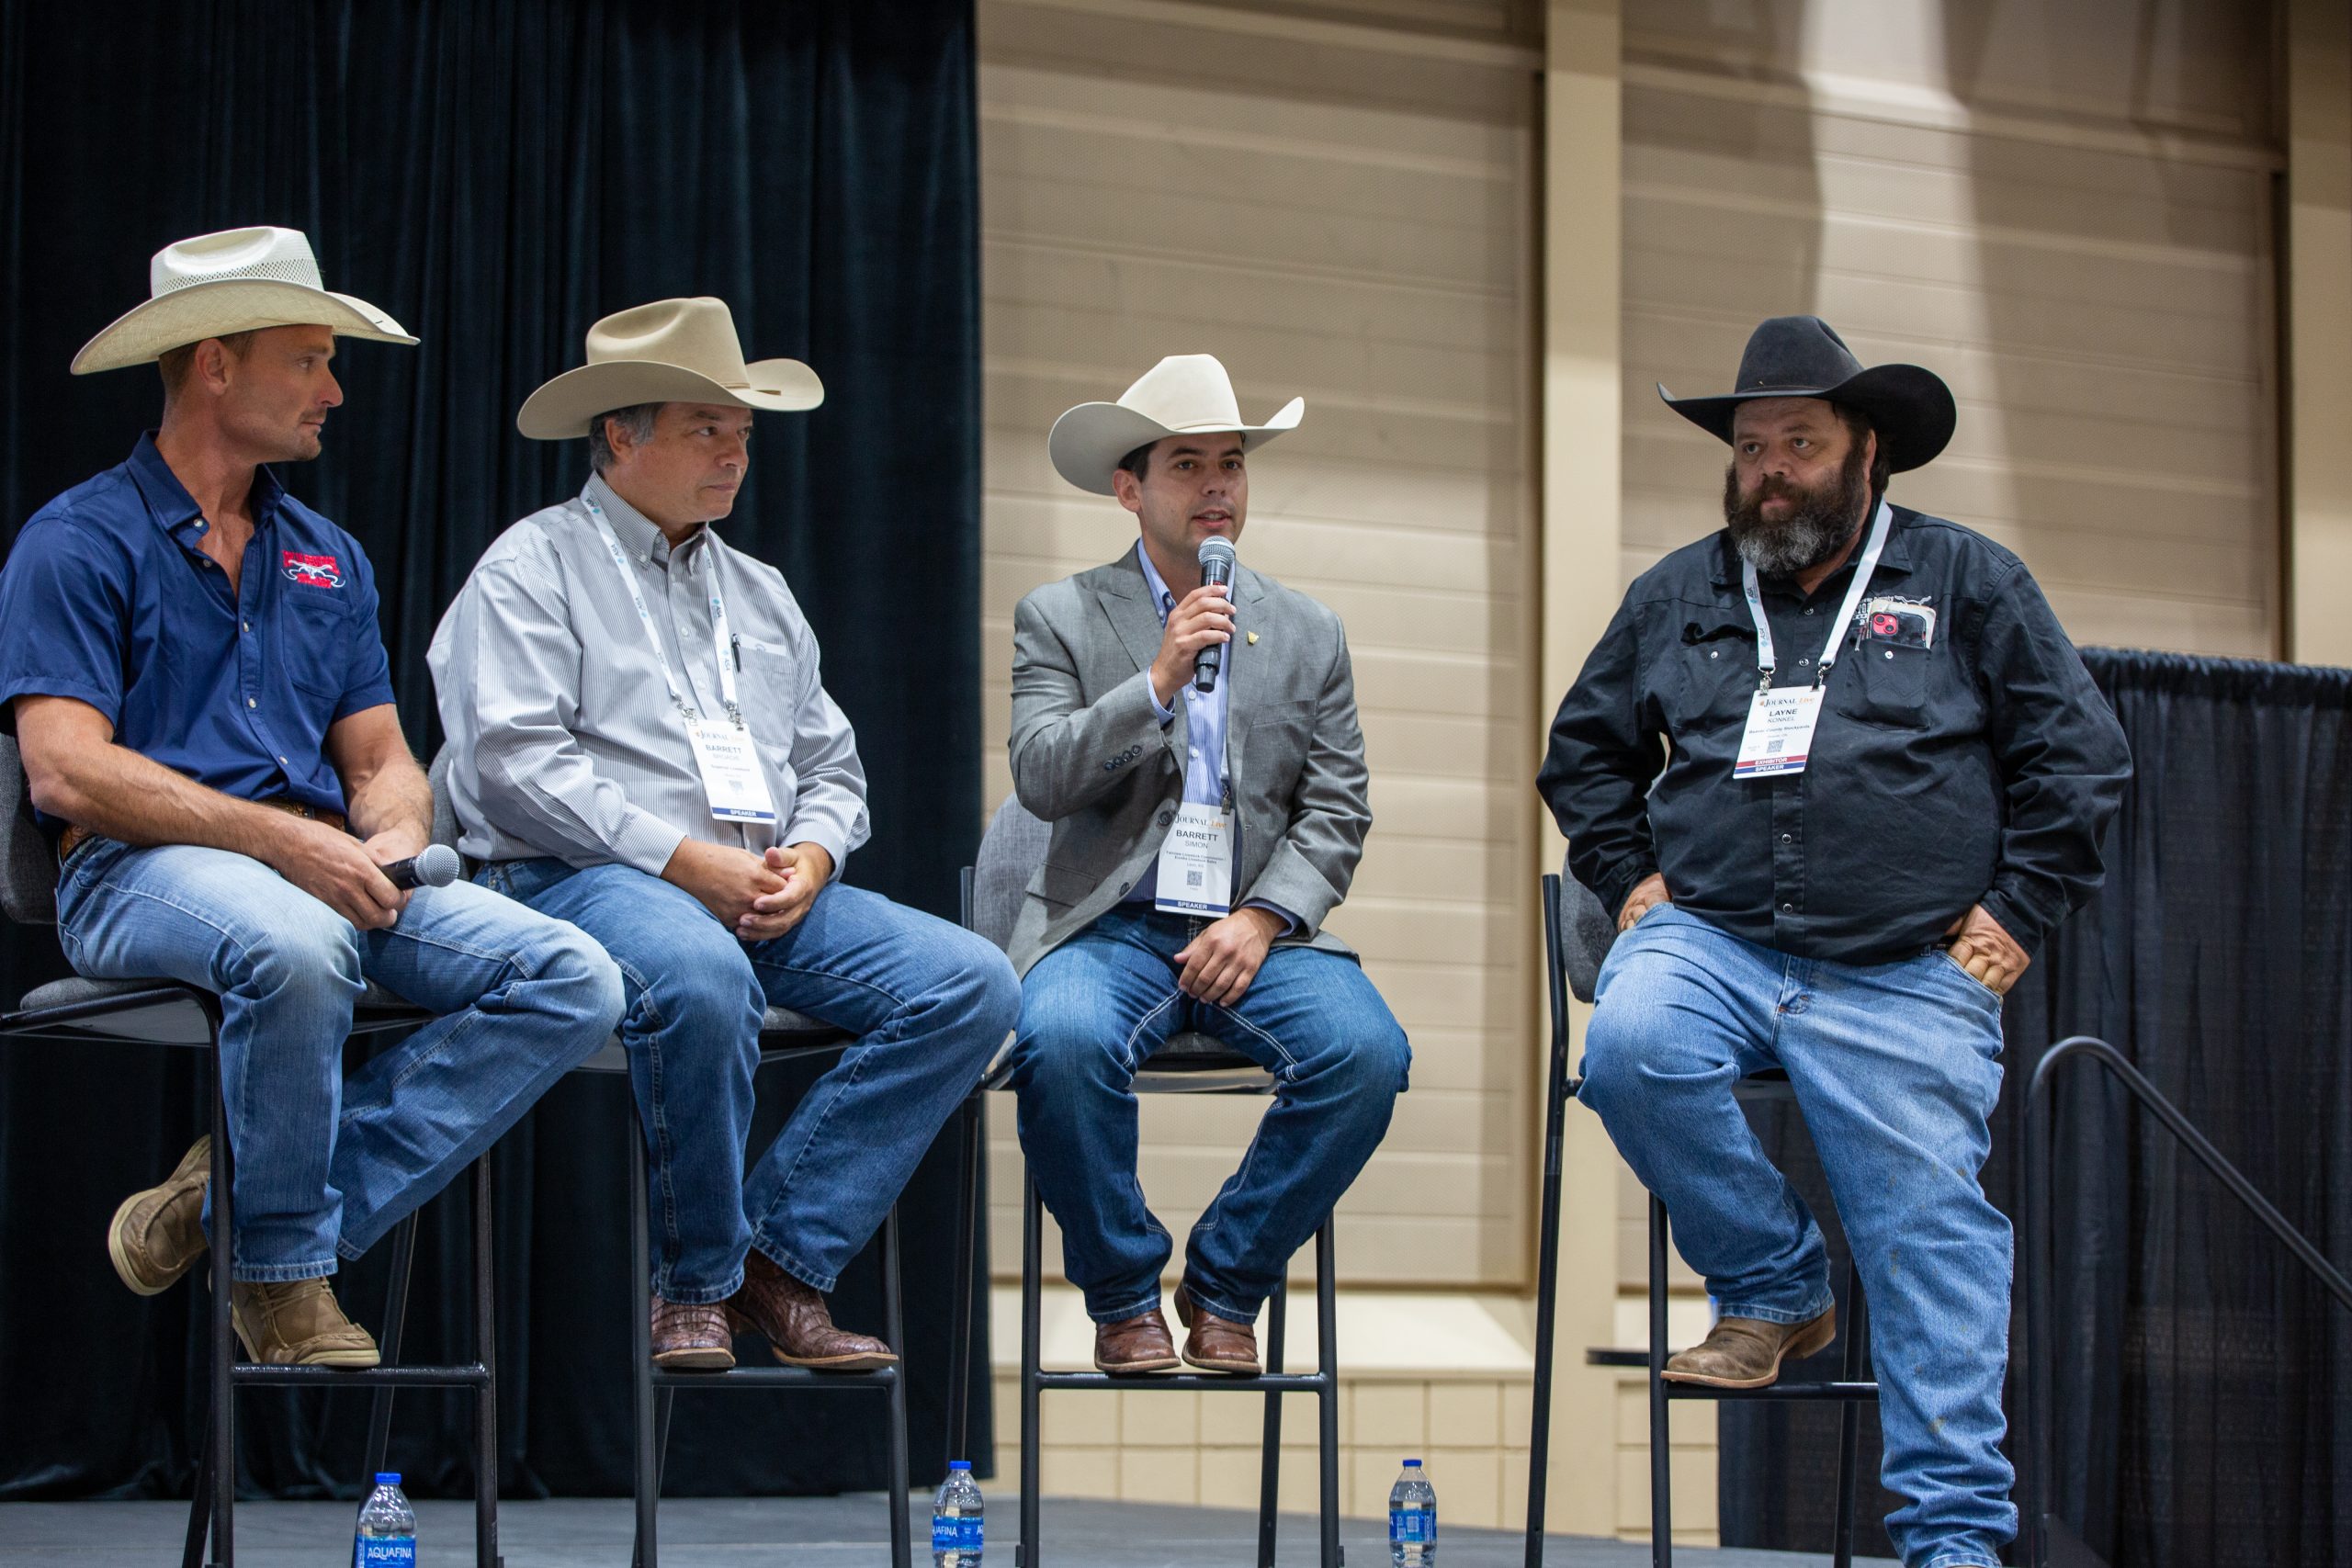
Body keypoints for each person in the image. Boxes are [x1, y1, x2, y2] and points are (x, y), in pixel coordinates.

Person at [1537, 315, 2132, 1568]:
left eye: (1800, 442)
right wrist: (1629, 877)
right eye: (1752, 445)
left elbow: (2078, 758)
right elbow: (1582, 752)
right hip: (1713, 936)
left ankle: (1954, 1539)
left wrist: (2015, 912)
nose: (1770, 469)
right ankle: (1776, 1281)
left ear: (1871, 453)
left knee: (1932, 1236)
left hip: (1904, 963)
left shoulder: (1967, 581)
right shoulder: (1679, 591)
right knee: (1630, 1044)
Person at [0, 227, 625, 1366]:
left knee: (573, 977)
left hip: (317, 870)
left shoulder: (326, 555)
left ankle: (224, 1205)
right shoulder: (77, 539)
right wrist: (289, 852)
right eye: (309, 359)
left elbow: (383, 759)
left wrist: (390, 833)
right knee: (293, 946)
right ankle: (282, 1277)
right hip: (130, 872)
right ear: (215, 364)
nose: (335, 391)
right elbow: (65, 768)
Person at [430, 297, 1019, 1370]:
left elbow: (831, 764)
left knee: (971, 982)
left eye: (744, 433)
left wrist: (817, 855)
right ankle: (694, 1282)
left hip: (754, 883)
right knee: (703, 975)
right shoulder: (531, 569)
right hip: (578, 879)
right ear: (620, 434)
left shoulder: (758, 591)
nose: (737, 454)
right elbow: (510, 766)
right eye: (708, 427)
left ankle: (778, 1265)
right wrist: (680, 859)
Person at [1002, 355, 1409, 1375]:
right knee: (1055, 1040)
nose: (1219, 486)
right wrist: (1155, 679)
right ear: (1129, 489)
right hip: (1108, 926)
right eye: (1189, 465)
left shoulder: (1308, 629)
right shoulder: (1061, 614)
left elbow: (1338, 806)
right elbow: (1043, 777)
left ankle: (1227, 1282)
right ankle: (1120, 1295)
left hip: (1252, 931)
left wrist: (1266, 918)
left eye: (1232, 463)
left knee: (1366, 1056)